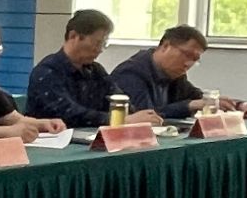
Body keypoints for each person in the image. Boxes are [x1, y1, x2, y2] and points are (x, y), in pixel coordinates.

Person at [25, 9, 163, 129]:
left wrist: (139, 116)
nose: (100, 50)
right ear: (74, 36)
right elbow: (70, 114)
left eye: (104, 44)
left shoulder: (96, 71)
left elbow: (118, 99)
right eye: (97, 43)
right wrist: (122, 120)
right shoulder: (47, 71)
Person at [112, 25, 247, 121]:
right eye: (186, 55)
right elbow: (146, 116)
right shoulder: (131, 73)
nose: (188, 64)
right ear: (165, 46)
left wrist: (240, 105)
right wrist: (190, 106)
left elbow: (198, 97)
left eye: (194, 60)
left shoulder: (174, 73)